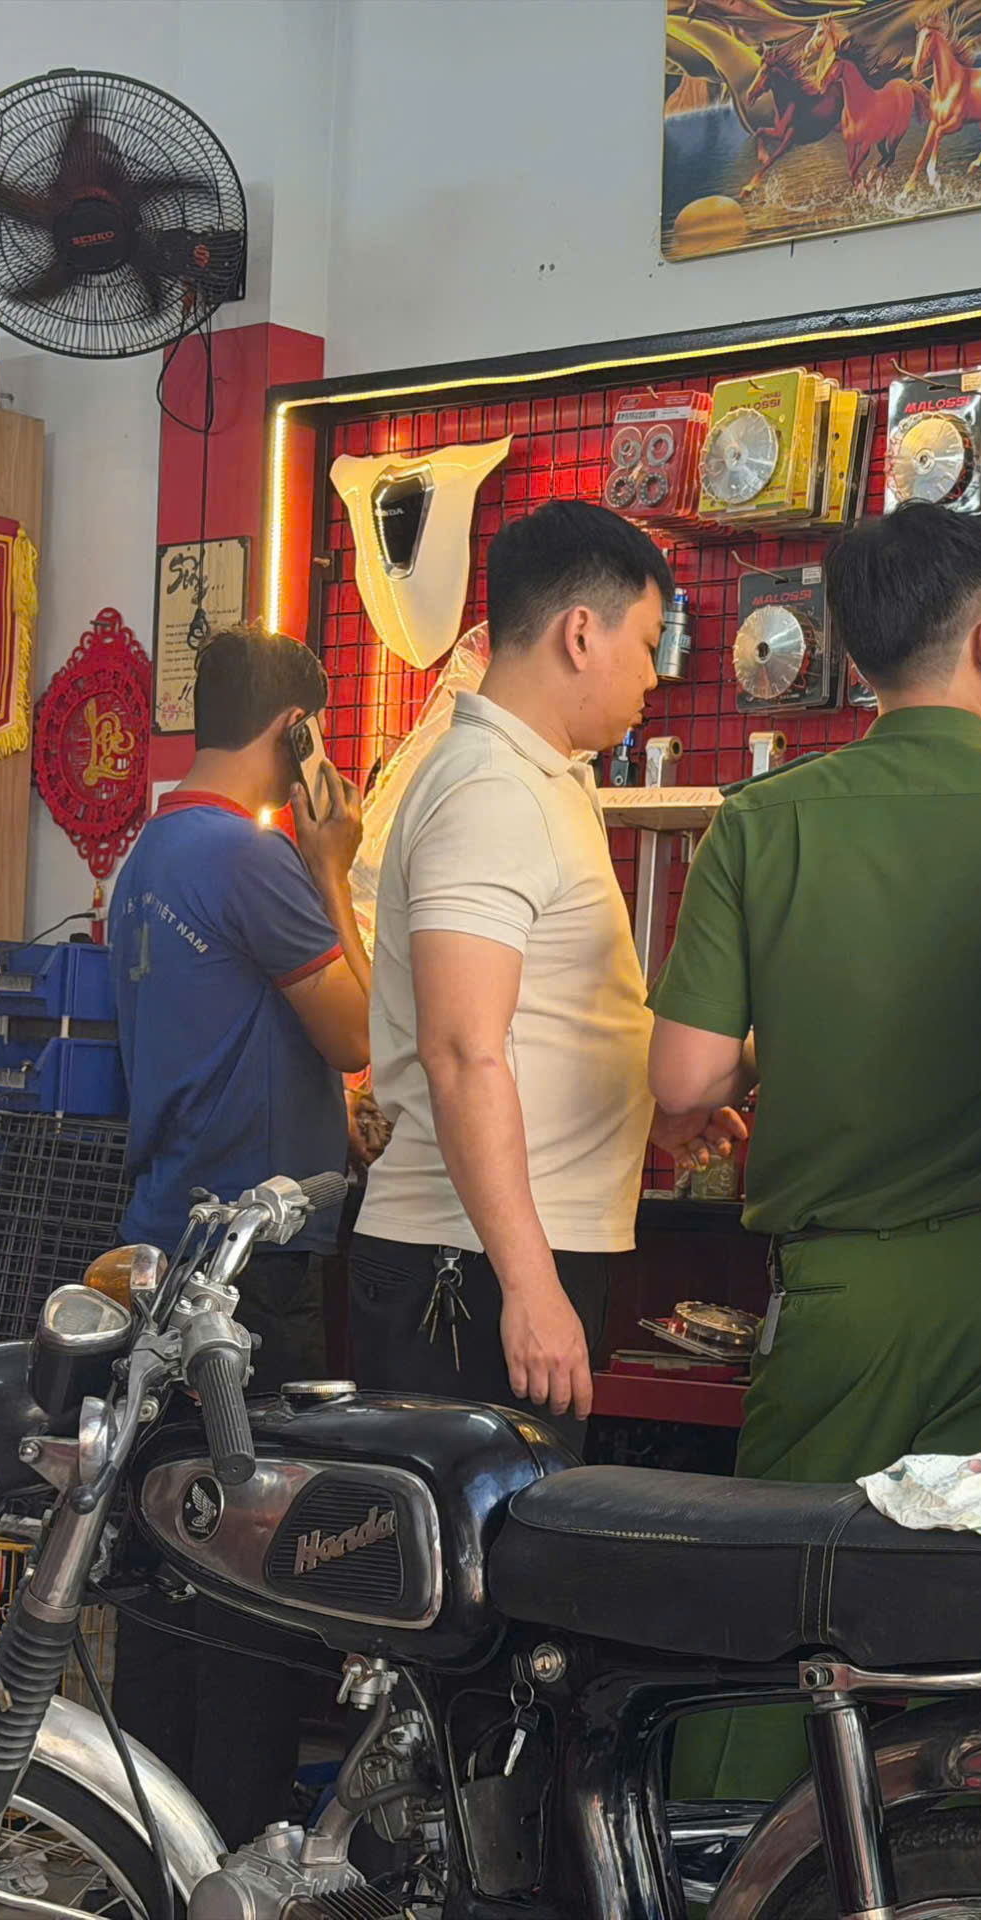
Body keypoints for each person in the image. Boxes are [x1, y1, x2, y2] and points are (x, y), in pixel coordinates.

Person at [650, 503, 981, 1798]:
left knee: (788, 1625)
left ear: (850, 653)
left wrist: (783, 1045)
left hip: (841, 1299)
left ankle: (726, 1862)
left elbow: (684, 1080)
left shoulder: (764, 821)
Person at [349, 501, 743, 1447]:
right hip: (469, 1265)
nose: (653, 675)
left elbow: (544, 1023)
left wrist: (646, 1106)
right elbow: (462, 1051)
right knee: (473, 1539)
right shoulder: (491, 790)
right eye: (645, 644)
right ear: (579, 634)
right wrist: (528, 1284)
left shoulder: (542, 778)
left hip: (502, 1249)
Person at [106, 622, 370, 1846]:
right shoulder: (256, 861)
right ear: (296, 731)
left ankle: (151, 1845)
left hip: (162, 1247)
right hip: (249, 1270)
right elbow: (358, 1031)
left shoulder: (151, 852)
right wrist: (332, 863)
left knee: (168, 1562)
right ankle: (236, 1850)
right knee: (256, 1569)